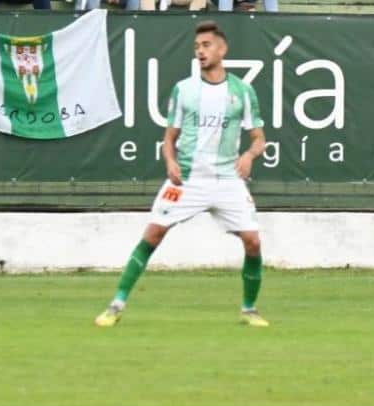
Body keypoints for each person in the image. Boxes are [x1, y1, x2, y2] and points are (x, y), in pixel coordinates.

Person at [96, 22, 268, 329]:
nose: (200, 51)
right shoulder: (185, 90)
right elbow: (169, 138)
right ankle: (115, 305)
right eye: (197, 47)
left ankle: (249, 309)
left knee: (253, 242)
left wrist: (249, 155)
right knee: (153, 234)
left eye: (206, 45)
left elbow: (259, 138)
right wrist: (170, 162)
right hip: (188, 179)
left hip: (227, 180)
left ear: (222, 49)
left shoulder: (242, 91)